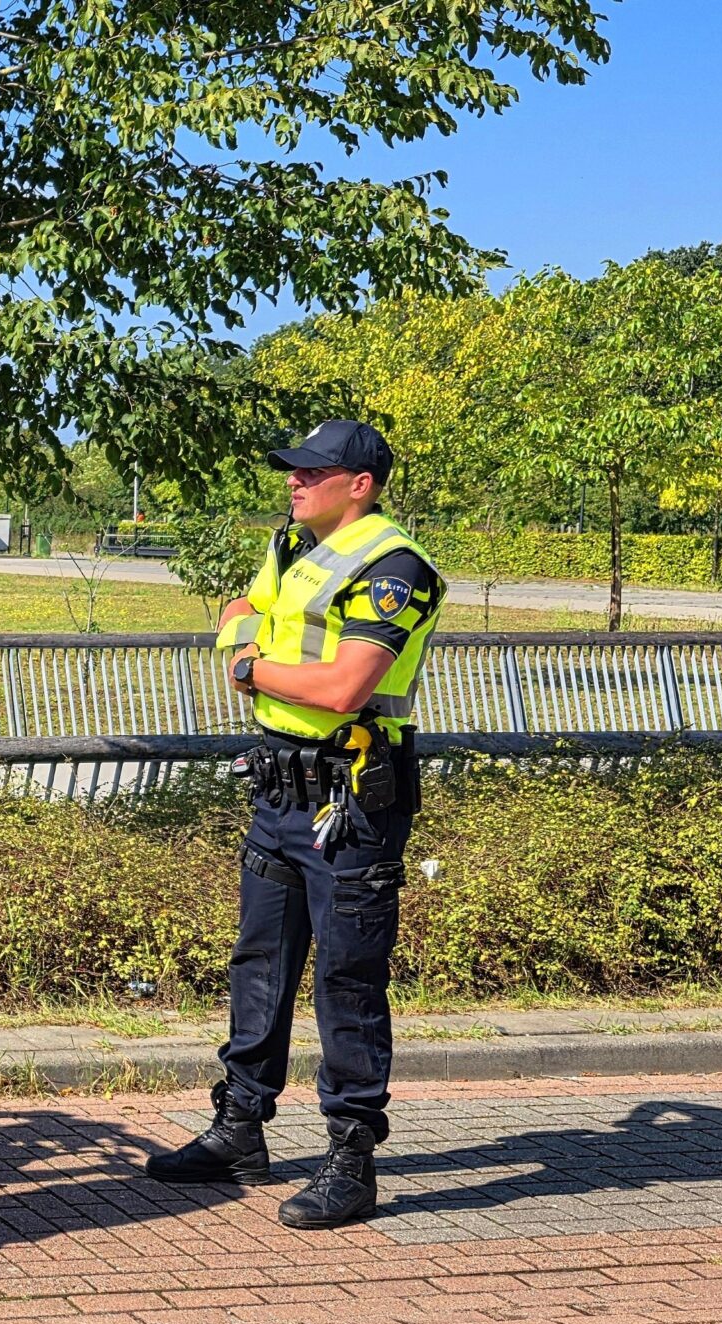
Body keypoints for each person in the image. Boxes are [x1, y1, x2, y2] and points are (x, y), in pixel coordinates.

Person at [144, 419, 445, 1229]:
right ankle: (240, 1128)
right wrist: (251, 646)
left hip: (351, 798)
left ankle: (352, 1158)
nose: (294, 479)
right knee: (260, 962)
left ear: (362, 484)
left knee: (346, 977)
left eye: (314, 470)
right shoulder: (292, 548)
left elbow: (347, 685)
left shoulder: (395, 566)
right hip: (279, 788)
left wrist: (245, 665)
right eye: (292, 468)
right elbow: (239, 605)